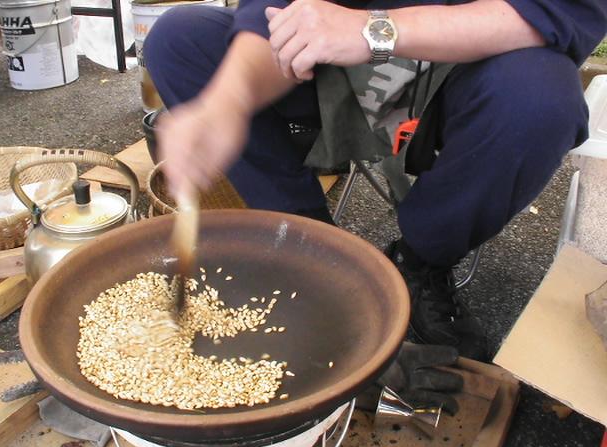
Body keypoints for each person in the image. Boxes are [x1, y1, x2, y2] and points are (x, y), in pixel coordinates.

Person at [144, 0, 607, 361]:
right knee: (178, 38)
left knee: (540, 100)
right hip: (331, 65)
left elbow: (553, 14)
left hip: (469, 69)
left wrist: (376, 30)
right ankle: (307, 249)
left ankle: (419, 262)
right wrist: (227, 101)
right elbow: (273, 14)